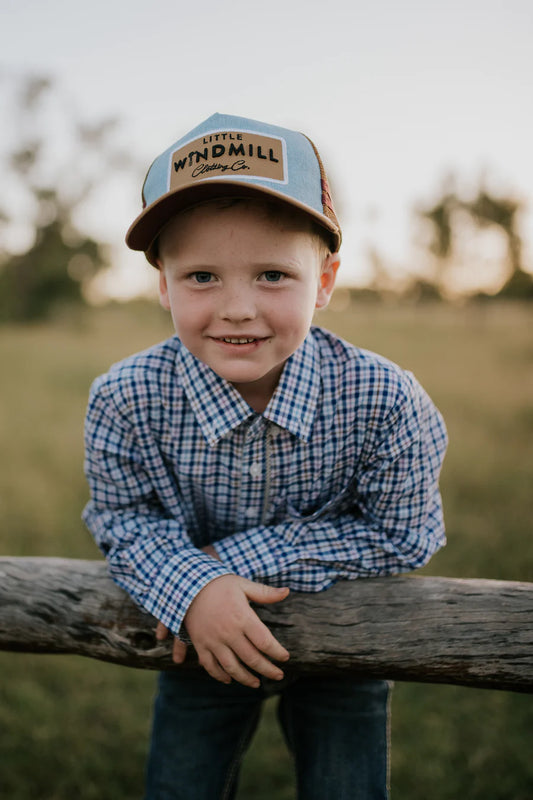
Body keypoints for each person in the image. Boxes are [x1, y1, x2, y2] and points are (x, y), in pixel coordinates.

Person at [83, 113, 448, 800]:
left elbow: (405, 533)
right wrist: (195, 590)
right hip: (199, 641)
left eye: (273, 274)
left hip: (352, 637)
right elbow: (121, 519)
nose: (237, 308)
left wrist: (225, 566)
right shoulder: (126, 397)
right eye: (201, 277)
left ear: (326, 279)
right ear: (162, 283)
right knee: (180, 788)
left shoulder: (383, 398)